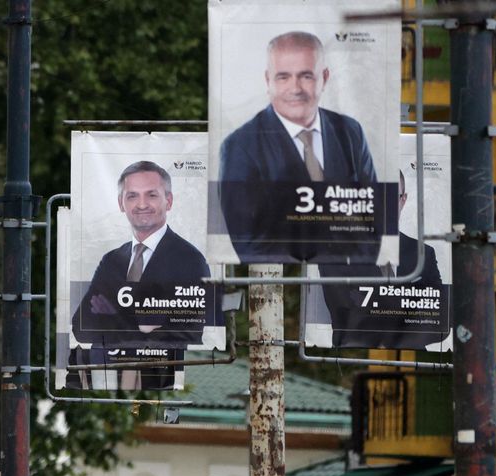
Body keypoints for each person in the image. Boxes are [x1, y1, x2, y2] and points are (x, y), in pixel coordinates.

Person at [219, 30, 378, 262]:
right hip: (287, 283)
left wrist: (351, 270)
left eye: (306, 76)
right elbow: (247, 240)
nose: (295, 89)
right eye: (283, 77)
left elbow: (373, 216)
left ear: (324, 77)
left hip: (350, 280)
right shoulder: (240, 146)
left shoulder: (350, 132)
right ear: (268, 80)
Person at [69, 161, 213, 390]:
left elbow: (189, 333)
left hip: (160, 384)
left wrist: (114, 315)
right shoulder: (111, 260)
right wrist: (144, 323)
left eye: (152, 195)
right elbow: (81, 326)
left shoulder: (191, 261)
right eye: (132, 196)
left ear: (169, 201)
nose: (142, 204)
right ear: (121, 204)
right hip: (105, 382)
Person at [316, 169, 446, 349]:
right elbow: (343, 310)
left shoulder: (423, 253)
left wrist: (399, 340)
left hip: (411, 357)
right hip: (355, 356)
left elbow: (440, 317)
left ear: (403, 200)